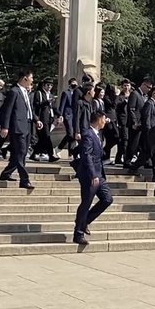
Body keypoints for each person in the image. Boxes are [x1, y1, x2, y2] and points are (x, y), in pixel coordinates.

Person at [73, 111, 114, 245]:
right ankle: (78, 234)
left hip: (99, 174)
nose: (105, 121)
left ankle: (85, 221)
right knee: (86, 202)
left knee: (107, 198)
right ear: (98, 119)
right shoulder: (87, 134)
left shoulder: (97, 134)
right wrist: (93, 175)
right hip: (89, 175)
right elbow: (87, 156)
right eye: (104, 118)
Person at [0, 69, 40, 189]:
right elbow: (8, 110)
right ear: (25, 78)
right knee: (21, 153)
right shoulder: (14, 92)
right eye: (31, 78)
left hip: (27, 126)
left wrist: (36, 120)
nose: (32, 81)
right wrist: (5, 126)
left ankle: (6, 173)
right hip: (17, 127)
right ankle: (24, 180)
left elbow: (29, 109)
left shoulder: (26, 92)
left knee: (20, 153)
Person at [56, 78, 78, 158]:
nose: (74, 85)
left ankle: (70, 153)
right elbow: (62, 105)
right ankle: (60, 148)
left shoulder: (77, 93)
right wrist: (60, 115)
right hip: (67, 115)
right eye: (73, 83)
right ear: (69, 84)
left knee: (72, 134)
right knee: (70, 133)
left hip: (74, 115)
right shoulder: (66, 93)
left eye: (75, 84)